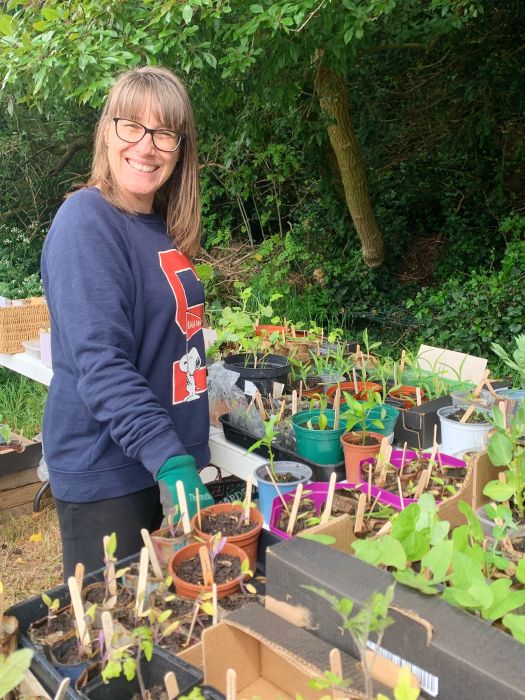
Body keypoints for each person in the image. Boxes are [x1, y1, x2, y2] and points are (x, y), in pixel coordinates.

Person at [41, 66, 214, 579]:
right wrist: (172, 461)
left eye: (164, 133)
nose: (147, 145)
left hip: (155, 459)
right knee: (115, 641)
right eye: (131, 126)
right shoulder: (87, 222)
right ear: (107, 132)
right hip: (110, 471)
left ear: (180, 148)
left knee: (165, 631)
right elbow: (103, 363)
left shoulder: (157, 225)